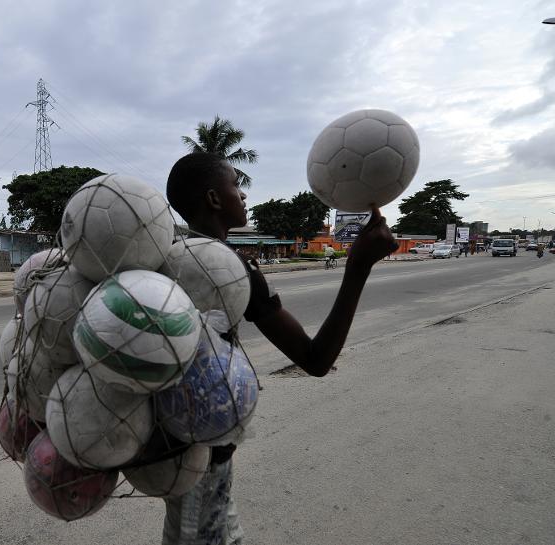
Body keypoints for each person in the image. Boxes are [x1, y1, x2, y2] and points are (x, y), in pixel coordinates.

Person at [163, 152, 397, 545]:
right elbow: (315, 359)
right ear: (214, 200)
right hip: (202, 445)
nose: (244, 196)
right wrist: (357, 267)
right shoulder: (232, 269)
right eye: (236, 186)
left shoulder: (165, 259)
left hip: (170, 438)